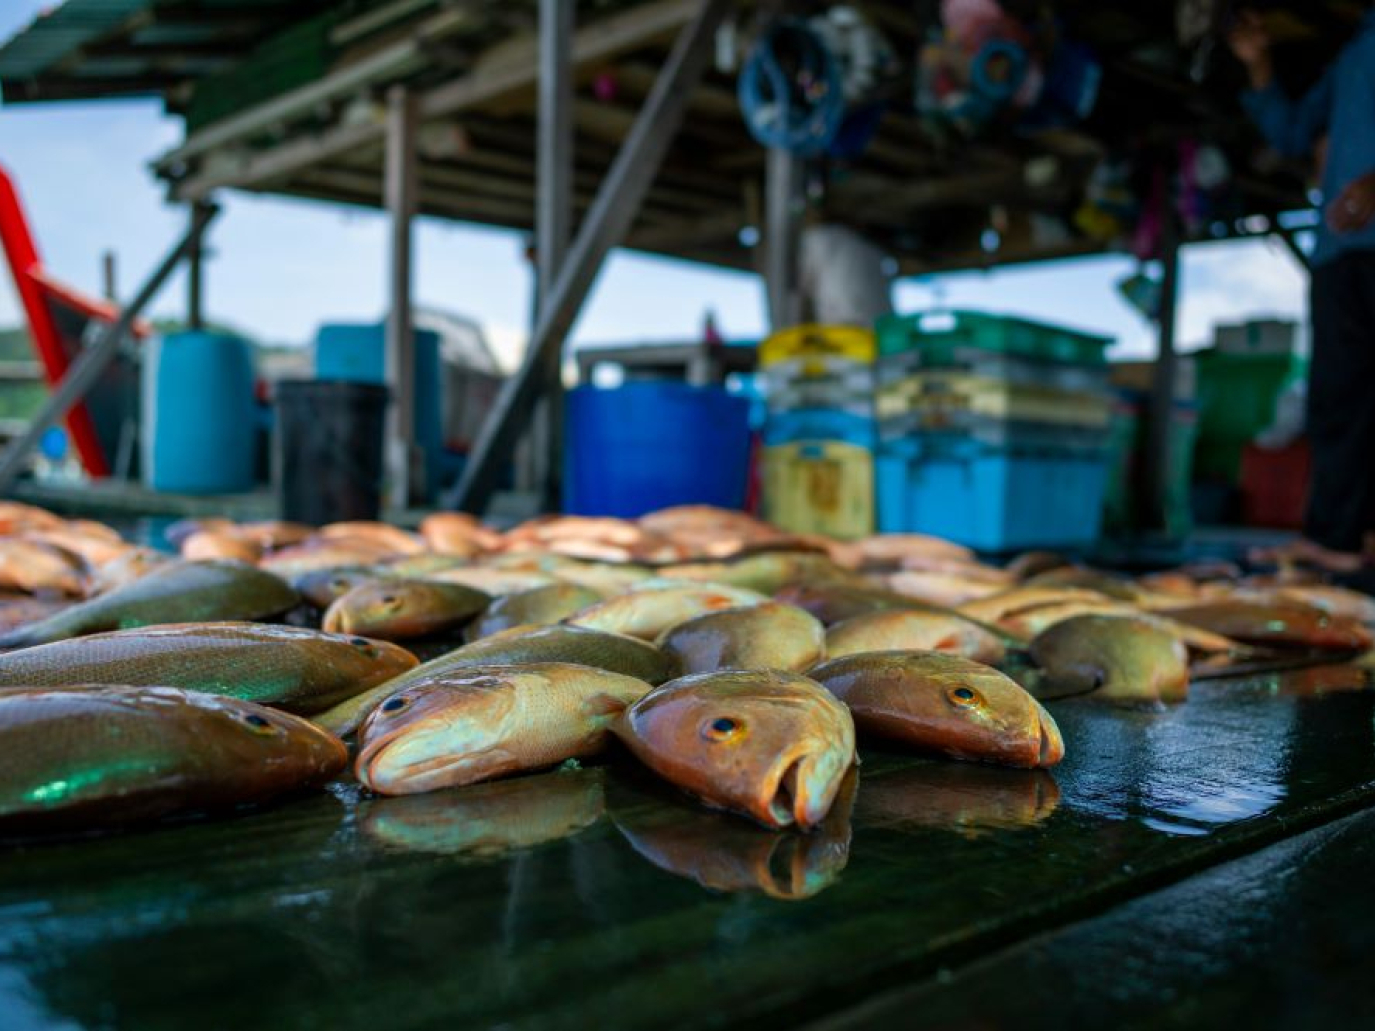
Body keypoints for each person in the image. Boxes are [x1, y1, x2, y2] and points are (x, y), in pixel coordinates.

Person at [1228, 7, 1375, 574]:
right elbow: (1291, 132)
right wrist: (1258, 64)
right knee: (1338, 396)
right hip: (1340, 251)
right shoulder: (1353, 55)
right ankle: (1335, 538)